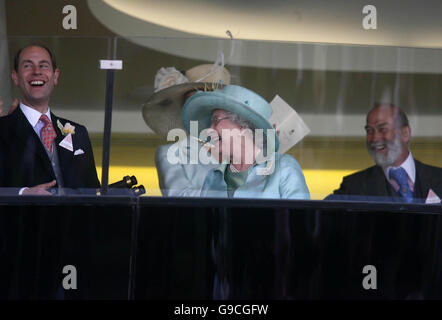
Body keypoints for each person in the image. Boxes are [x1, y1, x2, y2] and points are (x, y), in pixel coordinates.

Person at [0, 44, 100, 195]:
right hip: (22, 217)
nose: (37, 72)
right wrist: (22, 193)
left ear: (55, 76)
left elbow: (93, 192)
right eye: (28, 66)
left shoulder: (78, 133)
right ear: (15, 77)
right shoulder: (2, 129)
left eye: (43, 66)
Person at [181, 84, 310, 199]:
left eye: (216, 121)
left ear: (243, 126)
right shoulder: (213, 178)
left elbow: (301, 222)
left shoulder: (283, 168)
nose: (209, 130)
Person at [326, 103, 442, 203]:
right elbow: (320, 216)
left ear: (405, 133)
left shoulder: (438, 178)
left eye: (382, 129)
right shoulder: (354, 186)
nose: (375, 138)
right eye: (369, 131)